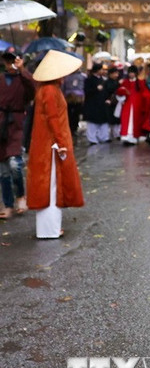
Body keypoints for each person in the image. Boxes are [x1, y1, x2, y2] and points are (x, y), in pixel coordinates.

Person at [26, 50, 85, 238]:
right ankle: (49, 230)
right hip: (51, 146)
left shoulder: (46, 89)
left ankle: (48, 229)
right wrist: (61, 144)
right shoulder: (51, 91)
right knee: (51, 186)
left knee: (49, 186)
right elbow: (53, 120)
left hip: (47, 144)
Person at [0, 52, 34, 218]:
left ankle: (21, 195)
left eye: (12, 60)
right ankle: (8, 204)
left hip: (16, 124)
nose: (9, 64)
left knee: (15, 165)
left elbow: (32, 90)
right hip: (0, 126)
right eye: (6, 61)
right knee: (3, 171)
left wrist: (23, 70)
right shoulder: (0, 78)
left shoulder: (24, 79)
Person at [116, 66, 148, 145]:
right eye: (130, 73)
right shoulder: (125, 82)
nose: (131, 74)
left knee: (135, 121)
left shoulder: (140, 83)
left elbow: (145, 94)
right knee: (126, 121)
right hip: (127, 104)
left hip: (137, 105)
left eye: (133, 73)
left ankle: (133, 138)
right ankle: (125, 137)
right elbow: (119, 91)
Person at [82, 62, 113, 145]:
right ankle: (92, 139)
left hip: (102, 104)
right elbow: (86, 91)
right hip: (92, 104)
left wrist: (108, 99)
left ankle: (104, 137)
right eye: (101, 69)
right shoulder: (88, 80)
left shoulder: (103, 80)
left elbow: (107, 91)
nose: (103, 71)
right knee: (92, 123)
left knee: (103, 121)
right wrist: (96, 89)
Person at [61, 66, 85, 136]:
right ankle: (71, 127)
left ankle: (73, 127)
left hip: (77, 97)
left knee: (75, 114)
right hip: (69, 97)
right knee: (70, 113)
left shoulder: (82, 76)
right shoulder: (66, 76)